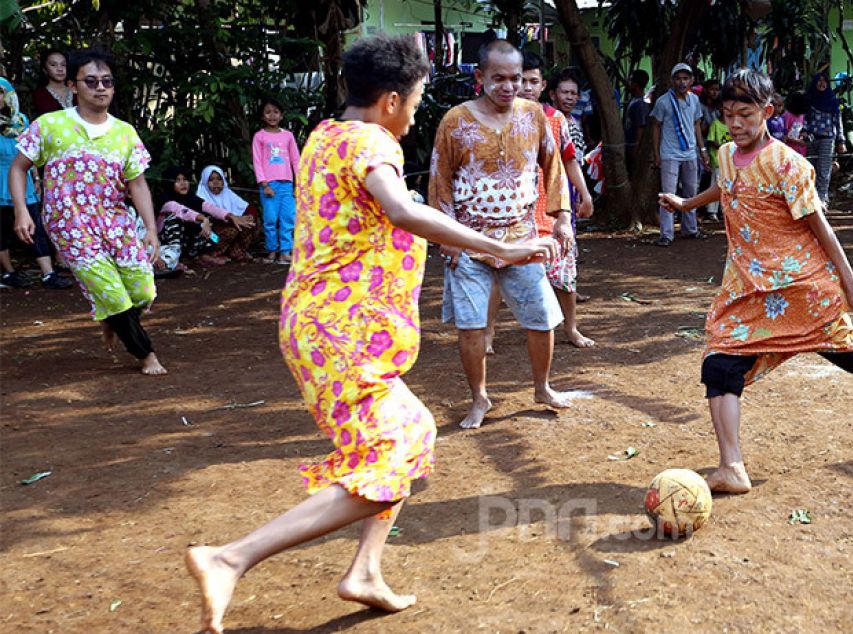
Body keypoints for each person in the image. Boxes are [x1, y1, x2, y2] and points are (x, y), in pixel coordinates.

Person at [184, 34, 556, 634]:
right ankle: (230, 557)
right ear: (389, 100)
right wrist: (503, 247)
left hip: (329, 327)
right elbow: (401, 209)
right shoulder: (371, 143)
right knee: (395, 451)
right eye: (413, 99)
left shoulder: (327, 134)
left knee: (409, 439)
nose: (414, 111)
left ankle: (364, 572)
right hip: (339, 335)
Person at [658, 69, 853, 495]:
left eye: (745, 114)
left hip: (801, 289)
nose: (736, 123)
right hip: (748, 289)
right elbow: (725, 188)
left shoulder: (788, 165)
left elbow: (823, 228)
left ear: (768, 111)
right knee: (719, 365)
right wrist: (686, 202)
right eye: (728, 115)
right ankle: (732, 467)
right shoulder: (725, 155)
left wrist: (852, 286)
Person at [429, 39, 574, 430]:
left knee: (542, 319)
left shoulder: (534, 116)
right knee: (471, 326)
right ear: (479, 77)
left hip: (523, 237)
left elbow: (553, 165)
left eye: (516, 79)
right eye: (499, 79)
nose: (509, 86)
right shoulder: (455, 121)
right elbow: (439, 180)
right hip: (469, 242)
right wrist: (448, 239)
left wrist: (561, 217)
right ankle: (479, 397)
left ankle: (542, 387)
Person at [9, 48, 166, 375]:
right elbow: (19, 167)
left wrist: (150, 229)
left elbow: (137, 184)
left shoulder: (125, 133)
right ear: (72, 85)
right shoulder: (50, 125)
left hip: (116, 221)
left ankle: (112, 319)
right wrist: (22, 211)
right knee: (110, 291)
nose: (100, 88)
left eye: (107, 81)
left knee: (143, 290)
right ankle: (146, 354)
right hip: (69, 225)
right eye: (91, 81)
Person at [485, 53, 594, 351]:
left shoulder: (556, 120)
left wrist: (584, 194)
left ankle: (571, 328)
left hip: (552, 209)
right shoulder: (494, 117)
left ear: (543, 85)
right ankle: (489, 334)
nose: (527, 87)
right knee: (498, 271)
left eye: (534, 81)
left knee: (564, 273)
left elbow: (569, 161)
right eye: (523, 80)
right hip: (509, 211)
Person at [0, 77, 71, 290]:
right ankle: (8, 273)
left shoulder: (21, 121)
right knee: (1, 230)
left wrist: (37, 177)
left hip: (23, 181)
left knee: (36, 227)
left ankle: (48, 273)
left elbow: (31, 153)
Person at [651, 62, 708, 246]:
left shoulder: (694, 100)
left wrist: (703, 150)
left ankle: (690, 229)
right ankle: (666, 234)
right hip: (669, 154)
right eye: (678, 78)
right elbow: (656, 127)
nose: (682, 82)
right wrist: (657, 154)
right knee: (668, 194)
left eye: (685, 78)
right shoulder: (663, 101)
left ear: (691, 80)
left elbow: (697, 125)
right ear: (672, 80)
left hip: (690, 153)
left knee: (691, 192)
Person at [157, 166, 254, 266]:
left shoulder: (192, 198)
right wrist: (204, 219)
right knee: (174, 219)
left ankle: (207, 255)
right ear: (169, 183)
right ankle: (172, 260)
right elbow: (183, 211)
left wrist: (231, 216)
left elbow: (210, 207)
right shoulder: (165, 200)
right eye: (177, 180)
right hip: (166, 244)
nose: (183, 183)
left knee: (214, 236)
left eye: (185, 179)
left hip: (192, 242)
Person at [252, 97, 300, 264]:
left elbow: (295, 160)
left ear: (281, 115)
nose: (272, 115)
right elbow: (257, 161)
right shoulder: (259, 136)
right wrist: (264, 184)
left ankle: (285, 251)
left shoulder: (288, 136)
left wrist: (298, 183)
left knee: (288, 217)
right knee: (271, 219)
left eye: (275, 112)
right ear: (262, 116)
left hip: (287, 183)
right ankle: (272, 250)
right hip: (269, 185)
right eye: (268, 112)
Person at [197, 165, 261, 261]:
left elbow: (249, 208)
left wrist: (249, 217)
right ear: (205, 182)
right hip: (210, 238)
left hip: (227, 234)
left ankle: (236, 252)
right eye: (211, 180)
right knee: (232, 229)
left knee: (250, 222)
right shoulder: (200, 197)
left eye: (219, 179)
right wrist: (234, 219)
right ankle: (211, 254)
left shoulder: (228, 194)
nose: (216, 182)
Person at [805, 72, 847, 203]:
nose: (822, 83)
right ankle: (811, 199)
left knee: (824, 170)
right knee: (810, 170)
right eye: (819, 81)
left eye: (824, 81)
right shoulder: (809, 99)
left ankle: (822, 200)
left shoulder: (832, 101)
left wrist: (841, 141)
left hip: (827, 139)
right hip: (810, 139)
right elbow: (804, 119)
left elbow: (838, 122)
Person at [623, 69, 650, 175]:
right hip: (629, 144)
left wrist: (636, 148)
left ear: (635, 84)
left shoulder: (640, 104)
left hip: (633, 145)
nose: (628, 83)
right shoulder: (634, 100)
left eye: (630, 80)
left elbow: (640, 127)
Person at [31, 49, 74, 115]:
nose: (60, 69)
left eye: (63, 65)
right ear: (45, 69)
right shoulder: (39, 95)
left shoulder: (78, 92)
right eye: (53, 65)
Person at [783, 92, 809, 156]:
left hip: (800, 151)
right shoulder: (787, 115)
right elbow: (784, 135)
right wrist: (798, 141)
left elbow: (798, 132)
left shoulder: (802, 116)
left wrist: (803, 135)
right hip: (789, 150)